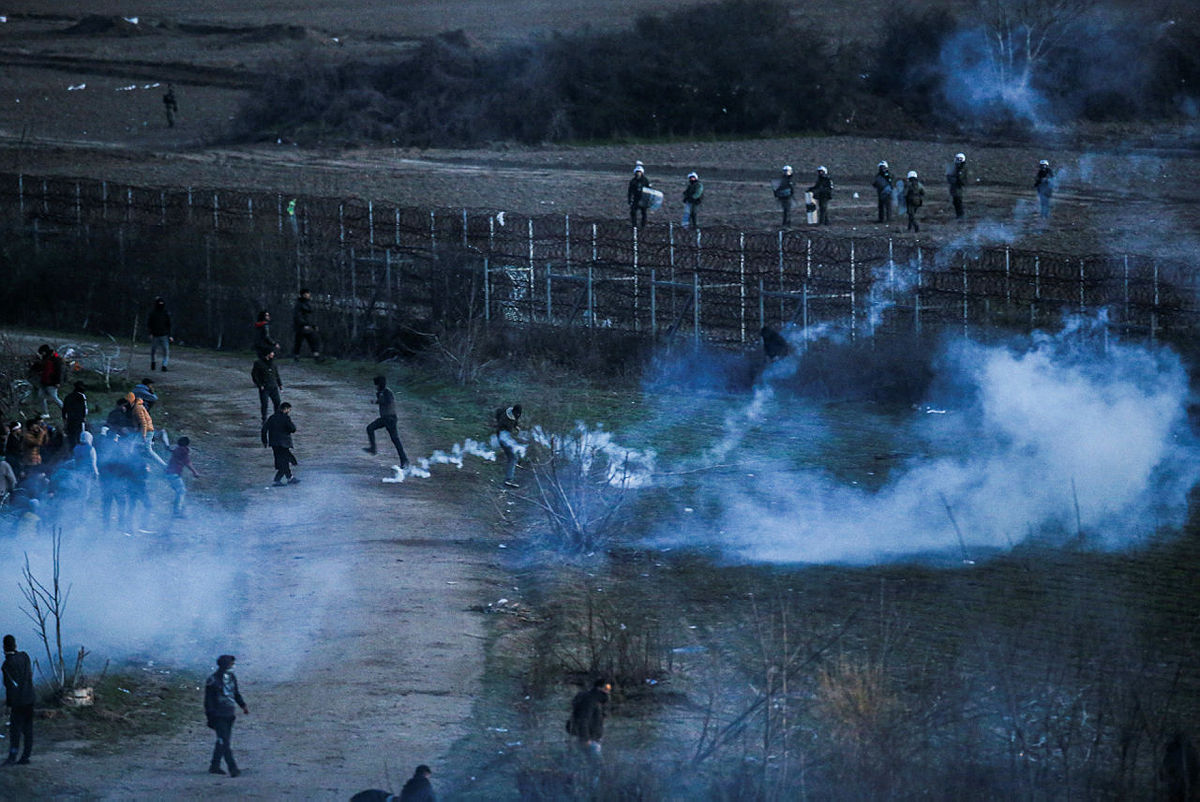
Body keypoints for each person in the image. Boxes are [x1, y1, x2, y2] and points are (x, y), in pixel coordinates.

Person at [204, 654, 249, 777]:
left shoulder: (231, 677)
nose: (233, 666)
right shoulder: (212, 680)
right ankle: (232, 768)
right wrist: (211, 716)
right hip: (218, 715)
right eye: (231, 664)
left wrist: (243, 705)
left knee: (223, 741)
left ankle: (215, 765)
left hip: (229, 713)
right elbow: (208, 701)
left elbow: (235, 693)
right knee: (224, 742)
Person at [2, 634, 35, 766]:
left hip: (18, 702)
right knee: (28, 730)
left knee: (15, 732)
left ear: (4, 647)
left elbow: (9, 686)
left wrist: (9, 704)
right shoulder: (25, 656)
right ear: (15, 645)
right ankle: (25, 757)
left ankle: (12, 757)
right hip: (30, 698)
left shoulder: (6, 665)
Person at [364, 376, 409, 468]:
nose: (375, 387)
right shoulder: (383, 392)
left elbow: (387, 401)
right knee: (370, 428)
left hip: (390, 419)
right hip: (385, 419)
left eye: (376, 385)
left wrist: (377, 401)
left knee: (395, 440)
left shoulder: (387, 392)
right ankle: (373, 448)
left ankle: (404, 460)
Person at [568, 678, 611, 761]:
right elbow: (583, 719)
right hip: (589, 739)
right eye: (607, 687)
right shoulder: (590, 700)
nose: (608, 690)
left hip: (592, 738)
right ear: (599, 688)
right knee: (596, 766)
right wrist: (585, 738)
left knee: (590, 764)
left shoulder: (596, 700)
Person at [262, 402, 299, 486]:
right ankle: (280, 479)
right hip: (284, 443)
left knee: (282, 461)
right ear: (285, 409)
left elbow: (264, 429)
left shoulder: (272, 417)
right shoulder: (285, 418)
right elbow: (293, 429)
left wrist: (265, 441)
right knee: (285, 461)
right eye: (289, 409)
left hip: (274, 443)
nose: (289, 411)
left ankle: (288, 478)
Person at [165, 435, 199, 517]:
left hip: (169, 474)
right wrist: (195, 472)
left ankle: (180, 509)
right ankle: (177, 511)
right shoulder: (184, 450)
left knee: (179, 491)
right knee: (181, 491)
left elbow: (170, 449)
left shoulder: (176, 449)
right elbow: (187, 462)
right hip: (174, 474)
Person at [128, 393, 165, 466]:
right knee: (133, 445)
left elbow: (143, 423)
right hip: (145, 430)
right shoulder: (137, 407)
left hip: (147, 431)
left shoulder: (137, 408)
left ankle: (164, 466)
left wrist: (143, 435)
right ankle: (132, 463)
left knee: (147, 450)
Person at [31, 344, 65, 417]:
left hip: (52, 382)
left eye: (42, 352)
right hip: (44, 381)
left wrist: (57, 382)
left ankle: (66, 411)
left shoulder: (55, 359)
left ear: (44, 352)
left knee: (54, 398)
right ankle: (45, 413)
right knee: (41, 396)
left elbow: (58, 371)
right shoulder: (46, 358)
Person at [495, 404, 522, 489]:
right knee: (512, 457)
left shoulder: (514, 414)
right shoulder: (505, 420)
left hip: (506, 436)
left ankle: (512, 467)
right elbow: (504, 431)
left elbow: (515, 421)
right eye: (517, 414)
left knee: (514, 456)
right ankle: (508, 480)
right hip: (502, 438)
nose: (518, 416)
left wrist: (516, 426)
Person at [251, 350, 283, 422]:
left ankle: (276, 418)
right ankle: (264, 418)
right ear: (267, 354)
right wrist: (259, 384)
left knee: (277, 402)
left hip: (273, 386)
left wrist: (280, 384)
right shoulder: (258, 363)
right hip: (264, 387)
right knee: (265, 404)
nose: (273, 354)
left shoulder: (273, 363)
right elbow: (254, 375)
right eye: (272, 353)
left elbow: (276, 374)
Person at [292, 288, 322, 361]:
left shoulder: (308, 303)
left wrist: (314, 325)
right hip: (301, 326)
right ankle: (296, 356)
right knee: (299, 342)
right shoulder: (299, 304)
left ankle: (316, 356)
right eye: (307, 293)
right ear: (304, 294)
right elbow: (298, 316)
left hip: (308, 325)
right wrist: (303, 324)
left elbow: (310, 317)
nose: (309, 295)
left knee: (314, 340)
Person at [148, 296, 173, 371]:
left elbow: (169, 324)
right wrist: (151, 333)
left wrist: (170, 335)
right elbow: (149, 324)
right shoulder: (153, 313)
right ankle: (153, 363)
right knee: (153, 350)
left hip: (164, 335)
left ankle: (164, 366)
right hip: (155, 335)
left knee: (166, 351)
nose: (160, 305)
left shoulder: (165, 313)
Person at [62, 381, 88, 448]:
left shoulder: (68, 397)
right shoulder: (82, 396)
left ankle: (72, 452)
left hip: (70, 420)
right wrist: (84, 417)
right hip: (79, 420)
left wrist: (64, 420)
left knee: (71, 437)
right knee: (80, 437)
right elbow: (84, 408)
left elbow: (64, 409)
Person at [627, 162, 651, 229]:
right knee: (633, 212)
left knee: (644, 213)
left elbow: (649, 190)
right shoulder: (633, 181)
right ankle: (634, 225)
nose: (638, 173)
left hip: (643, 199)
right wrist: (629, 199)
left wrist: (649, 200)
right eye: (637, 172)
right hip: (636, 199)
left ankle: (643, 225)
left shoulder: (645, 180)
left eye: (639, 172)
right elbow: (630, 191)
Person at [947, 152, 968, 219]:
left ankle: (960, 215)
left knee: (958, 202)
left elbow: (960, 178)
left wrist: (953, 179)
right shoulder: (959, 168)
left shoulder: (961, 168)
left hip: (957, 188)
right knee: (956, 201)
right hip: (956, 187)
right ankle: (959, 215)